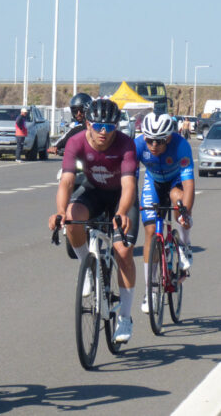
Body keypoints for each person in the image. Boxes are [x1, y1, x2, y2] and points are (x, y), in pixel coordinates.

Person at [47, 98, 139, 343]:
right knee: (71, 217)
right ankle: (87, 266)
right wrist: (59, 211)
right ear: (88, 124)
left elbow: (129, 185)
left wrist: (122, 212)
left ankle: (125, 318)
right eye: (98, 126)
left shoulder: (125, 144)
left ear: (116, 126)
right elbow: (67, 181)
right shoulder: (76, 142)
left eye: (109, 127)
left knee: (123, 252)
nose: (103, 132)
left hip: (121, 197)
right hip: (94, 191)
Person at [134, 113, 195, 314]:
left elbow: (189, 184)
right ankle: (150, 290)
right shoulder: (138, 145)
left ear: (168, 137)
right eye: (149, 140)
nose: (153, 145)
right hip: (153, 181)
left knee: (179, 201)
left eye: (159, 141)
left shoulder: (180, 146)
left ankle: (184, 245)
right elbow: (129, 180)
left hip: (175, 181)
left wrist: (185, 214)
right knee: (150, 231)